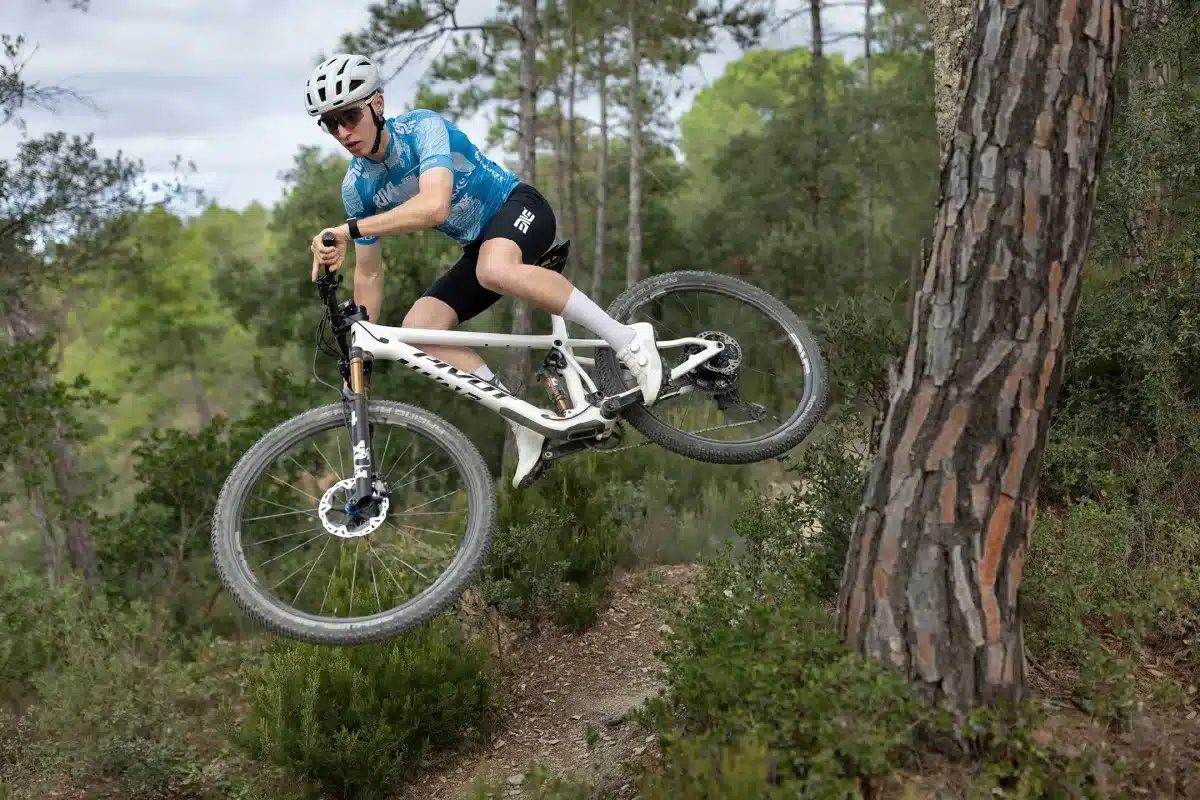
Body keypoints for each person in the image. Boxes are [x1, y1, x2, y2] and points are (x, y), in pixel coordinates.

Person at [303, 53, 662, 487]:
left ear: (377, 105)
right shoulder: (357, 186)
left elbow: (435, 206)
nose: (342, 132)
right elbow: (369, 275)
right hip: (479, 247)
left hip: (517, 208)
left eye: (349, 116)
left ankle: (627, 339)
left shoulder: (421, 128)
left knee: (495, 267)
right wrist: (361, 350)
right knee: (420, 330)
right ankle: (525, 421)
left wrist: (350, 228)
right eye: (330, 123)